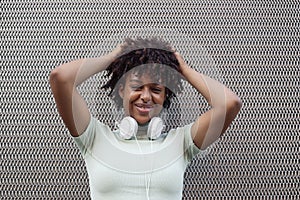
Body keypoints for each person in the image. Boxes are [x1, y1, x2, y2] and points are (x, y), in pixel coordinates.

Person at [49, 37, 242, 200]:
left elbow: (229, 104)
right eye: (137, 86)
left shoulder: (181, 142)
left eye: (156, 89)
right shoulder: (93, 137)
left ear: (165, 96)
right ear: (122, 91)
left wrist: (183, 69)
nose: (146, 96)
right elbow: (61, 78)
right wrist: (112, 59)